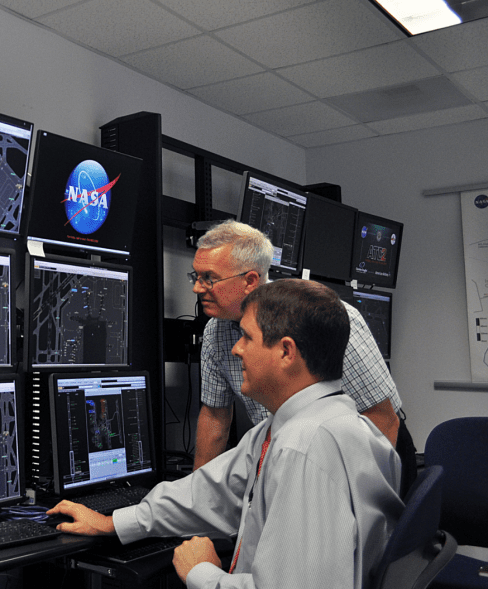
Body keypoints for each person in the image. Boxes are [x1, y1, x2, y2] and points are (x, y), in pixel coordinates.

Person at [47, 279, 404, 588]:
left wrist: (201, 572)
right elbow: (211, 490)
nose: (236, 348)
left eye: (247, 337)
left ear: (286, 352)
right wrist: (114, 523)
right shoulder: (311, 422)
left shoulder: (305, 448)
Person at [189, 220, 407, 476]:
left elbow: (381, 419)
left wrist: (365, 502)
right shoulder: (216, 333)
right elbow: (215, 417)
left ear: (250, 281)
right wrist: (195, 493)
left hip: (370, 457)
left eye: (209, 279)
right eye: (196, 276)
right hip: (291, 456)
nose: (197, 288)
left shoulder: (325, 318)